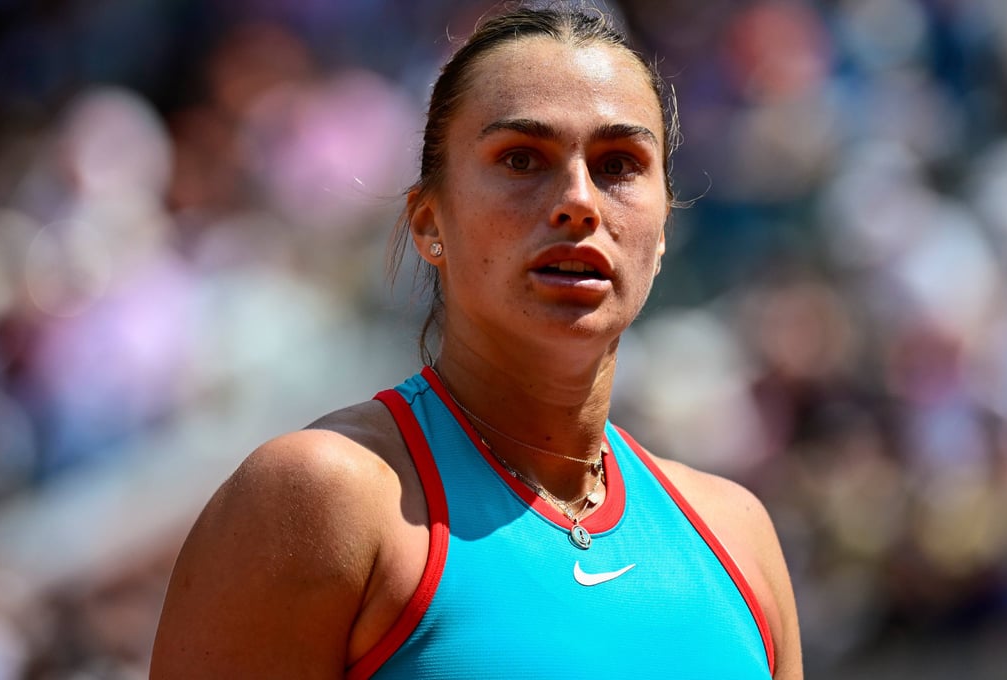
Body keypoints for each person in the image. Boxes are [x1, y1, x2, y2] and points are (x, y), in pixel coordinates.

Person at [150, 4, 802, 678]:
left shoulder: (736, 535)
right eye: (521, 159)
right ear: (429, 222)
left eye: (618, 164)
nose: (579, 201)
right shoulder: (322, 497)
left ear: (663, 229)